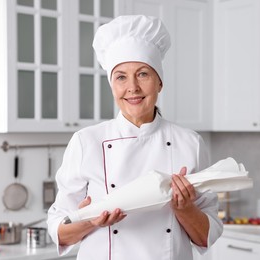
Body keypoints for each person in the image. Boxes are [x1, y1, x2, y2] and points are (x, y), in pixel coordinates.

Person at [47, 15, 223, 260]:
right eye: (121, 77)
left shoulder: (189, 143)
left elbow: (206, 237)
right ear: (112, 85)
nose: (132, 87)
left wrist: (185, 209)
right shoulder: (86, 141)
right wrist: (92, 222)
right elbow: (59, 231)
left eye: (142, 74)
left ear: (159, 82)